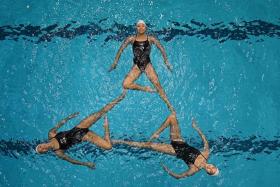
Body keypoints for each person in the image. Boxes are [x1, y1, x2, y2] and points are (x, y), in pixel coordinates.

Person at [36, 91, 126, 169]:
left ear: (41, 144)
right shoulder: (58, 152)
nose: (43, 148)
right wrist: (86, 164)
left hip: (79, 127)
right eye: (42, 150)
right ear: (45, 152)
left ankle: (120, 97)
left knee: (101, 112)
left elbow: (59, 124)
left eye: (40, 147)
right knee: (108, 147)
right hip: (85, 137)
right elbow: (72, 161)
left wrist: (69, 117)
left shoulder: (51, 134)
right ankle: (106, 126)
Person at [112, 114, 219, 179]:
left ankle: (120, 141)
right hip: (180, 141)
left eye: (210, 171)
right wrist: (196, 128)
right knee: (172, 117)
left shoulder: (194, 169)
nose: (210, 167)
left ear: (207, 172)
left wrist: (167, 170)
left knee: (147, 145)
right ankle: (156, 133)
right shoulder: (206, 154)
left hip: (173, 150)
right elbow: (205, 141)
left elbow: (179, 176)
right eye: (213, 167)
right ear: (214, 165)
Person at [109, 20, 175, 112]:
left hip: (147, 65)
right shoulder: (131, 39)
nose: (140, 28)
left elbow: (161, 48)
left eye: (143, 26)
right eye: (138, 26)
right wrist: (115, 62)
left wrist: (166, 62)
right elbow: (121, 49)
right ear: (136, 28)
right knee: (125, 84)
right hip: (137, 66)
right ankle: (145, 88)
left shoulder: (151, 39)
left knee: (158, 85)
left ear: (146, 28)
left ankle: (169, 105)